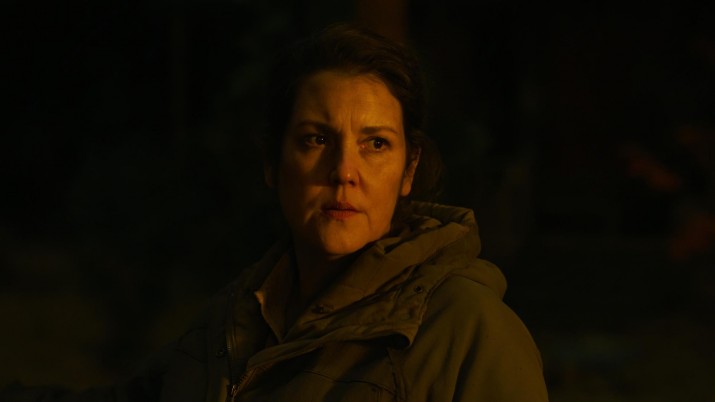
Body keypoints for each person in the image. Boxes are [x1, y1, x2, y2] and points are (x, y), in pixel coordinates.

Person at [1, 23, 548, 402]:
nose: (344, 171)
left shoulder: (466, 332)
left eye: (376, 144)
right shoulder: (233, 323)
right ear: (272, 161)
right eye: (316, 139)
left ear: (409, 171)